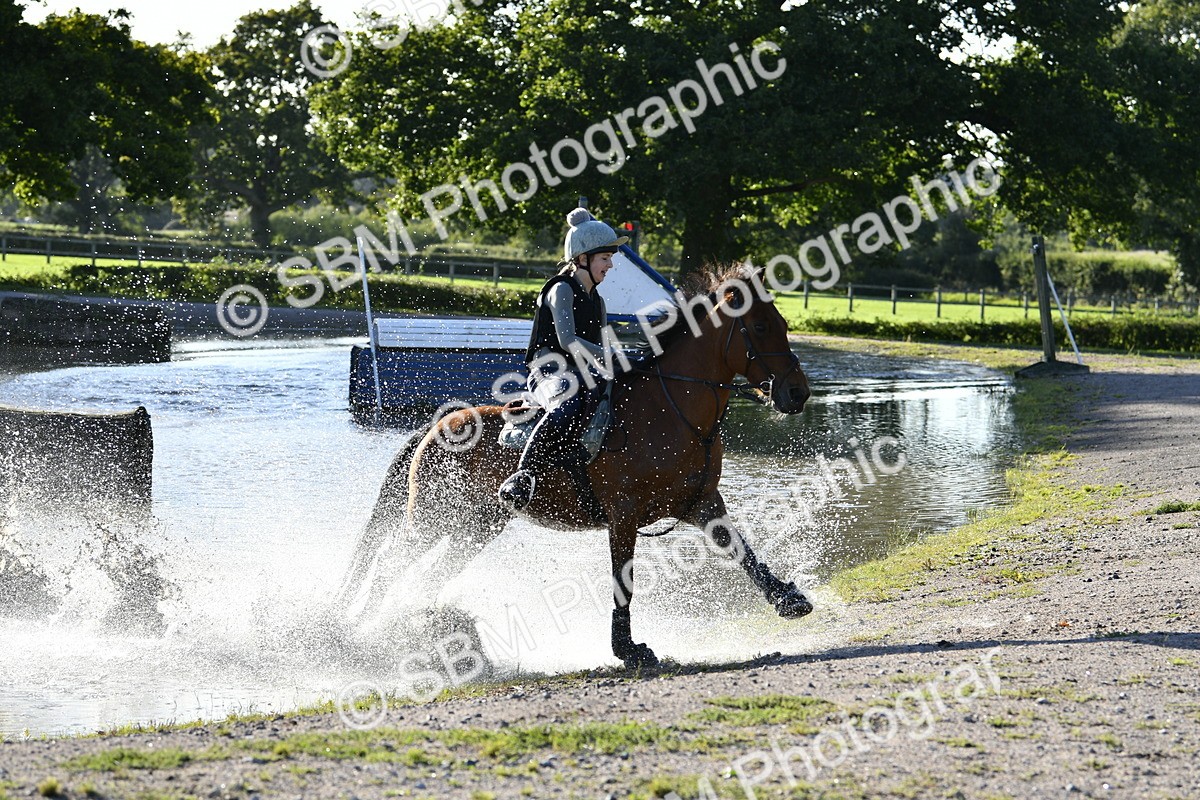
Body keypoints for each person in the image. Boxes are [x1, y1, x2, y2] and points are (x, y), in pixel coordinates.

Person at [497, 207, 629, 511]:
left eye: (610, 259)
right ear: (583, 258)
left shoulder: (599, 300)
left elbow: (604, 346)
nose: (610, 266)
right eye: (605, 259)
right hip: (549, 371)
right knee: (568, 403)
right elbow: (568, 341)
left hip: (585, 371)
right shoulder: (561, 289)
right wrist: (609, 354)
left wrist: (626, 359)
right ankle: (523, 475)